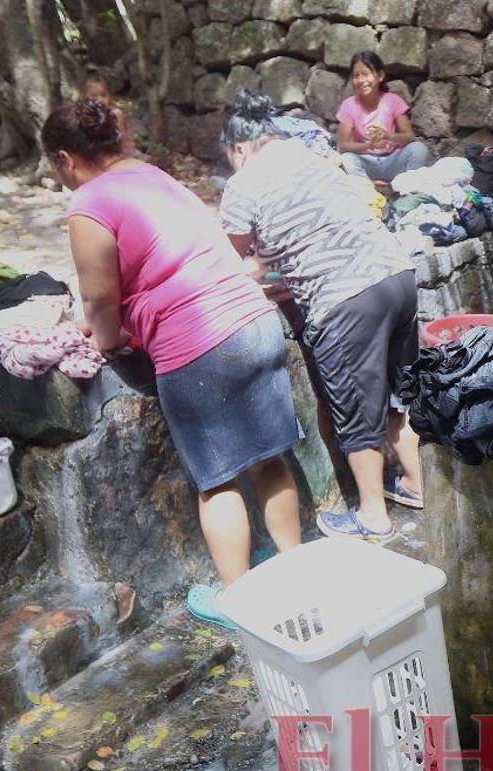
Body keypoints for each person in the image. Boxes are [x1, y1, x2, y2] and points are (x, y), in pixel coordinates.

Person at [42, 99, 303, 604]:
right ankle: (296, 570)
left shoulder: (89, 203)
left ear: (66, 160)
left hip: (200, 345)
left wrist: (109, 338)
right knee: (269, 461)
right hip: (255, 321)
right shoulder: (151, 174)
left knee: (218, 480)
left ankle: (240, 599)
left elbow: (99, 299)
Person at [220, 90, 421, 542]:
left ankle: (371, 515)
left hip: (346, 299)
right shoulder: (314, 154)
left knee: (355, 407)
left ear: (237, 147)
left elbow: (231, 263)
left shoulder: (242, 185)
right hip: (398, 275)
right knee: (399, 397)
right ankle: (414, 483)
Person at [336, 51, 430, 185]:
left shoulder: (393, 101)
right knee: (346, 159)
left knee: (419, 149)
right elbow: (343, 146)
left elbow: (409, 137)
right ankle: (369, 187)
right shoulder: (348, 105)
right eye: (356, 76)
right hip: (366, 162)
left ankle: (406, 187)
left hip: (393, 161)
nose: (361, 80)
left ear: (380, 76)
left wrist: (388, 136)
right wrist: (368, 145)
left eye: (366, 74)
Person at [80, 76, 138, 156]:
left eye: (103, 95)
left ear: (110, 96)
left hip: (117, 153)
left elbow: (122, 140)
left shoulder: (116, 114)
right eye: (94, 96)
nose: (99, 99)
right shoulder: (83, 116)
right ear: (84, 98)